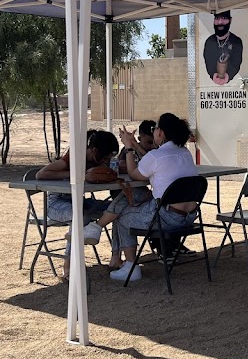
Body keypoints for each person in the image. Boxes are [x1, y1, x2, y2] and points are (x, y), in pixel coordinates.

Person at [77, 113, 199, 284]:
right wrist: (134, 144)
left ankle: (130, 266)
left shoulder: (156, 156)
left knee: (123, 217)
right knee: (133, 195)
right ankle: (96, 229)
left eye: (155, 128)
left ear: (161, 133)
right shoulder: (185, 153)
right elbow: (151, 160)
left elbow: (135, 175)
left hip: (166, 218)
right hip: (189, 218)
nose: (154, 131)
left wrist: (128, 148)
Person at [35, 129, 120, 280]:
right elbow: (41, 174)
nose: (105, 162)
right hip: (57, 203)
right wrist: (76, 175)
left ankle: (116, 259)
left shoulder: (97, 161)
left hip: (79, 202)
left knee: (115, 208)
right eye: (105, 158)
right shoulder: (72, 157)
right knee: (79, 216)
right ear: (94, 151)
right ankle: (68, 268)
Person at [202, 10, 243, 85]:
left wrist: (227, 75)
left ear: (230, 20)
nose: (220, 22)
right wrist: (215, 76)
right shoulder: (209, 42)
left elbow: (236, 63)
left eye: (224, 18)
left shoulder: (236, 41)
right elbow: (208, 63)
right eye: (217, 18)